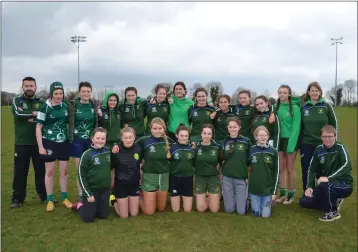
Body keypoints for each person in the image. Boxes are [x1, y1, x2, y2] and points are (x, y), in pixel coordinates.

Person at [299, 125, 353, 222]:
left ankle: (333, 212)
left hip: (344, 184)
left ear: (335, 136)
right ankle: (332, 201)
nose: (327, 139)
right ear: (321, 137)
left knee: (326, 186)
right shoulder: (319, 149)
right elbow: (311, 169)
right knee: (304, 201)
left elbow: (347, 165)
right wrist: (309, 187)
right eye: (324, 137)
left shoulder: (340, 148)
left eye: (330, 136)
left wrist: (329, 178)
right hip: (325, 185)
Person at [36, 81, 72, 212]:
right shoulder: (44, 107)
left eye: (61, 93)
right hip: (49, 143)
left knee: (64, 172)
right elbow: (38, 128)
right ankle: (50, 199)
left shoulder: (65, 105)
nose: (59, 96)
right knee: (49, 172)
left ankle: (64, 198)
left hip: (63, 143)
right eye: (56, 93)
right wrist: (40, 146)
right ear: (51, 94)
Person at [10, 76, 47, 208]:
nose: (29, 88)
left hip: (39, 144)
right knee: (20, 172)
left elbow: (45, 118)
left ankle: (44, 196)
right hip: (22, 143)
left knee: (41, 171)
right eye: (27, 86)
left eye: (31, 86)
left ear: (35, 87)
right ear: (23, 87)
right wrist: (34, 114)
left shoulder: (42, 102)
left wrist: (30, 116)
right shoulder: (17, 100)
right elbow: (18, 115)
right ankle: (17, 199)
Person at [300, 81, 338, 192]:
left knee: (323, 170)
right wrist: (299, 145)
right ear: (308, 92)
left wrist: (334, 142)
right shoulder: (304, 108)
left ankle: (323, 193)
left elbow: (334, 125)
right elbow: (300, 128)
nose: (314, 92)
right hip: (307, 143)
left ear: (320, 92)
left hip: (323, 143)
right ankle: (307, 193)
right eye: (312, 90)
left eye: (317, 90)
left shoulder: (327, 106)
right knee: (307, 169)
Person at [134, 117, 173, 215]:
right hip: (149, 176)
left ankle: (152, 198)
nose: (157, 131)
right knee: (149, 211)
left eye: (160, 128)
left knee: (160, 208)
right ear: (150, 129)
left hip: (164, 177)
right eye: (154, 129)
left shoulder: (169, 141)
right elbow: (130, 147)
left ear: (164, 129)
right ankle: (137, 197)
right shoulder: (144, 141)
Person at [68, 81, 97, 203]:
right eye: (83, 91)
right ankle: (81, 195)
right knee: (80, 170)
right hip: (77, 141)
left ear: (91, 93)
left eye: (88, 91)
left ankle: (91, 193)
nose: (86, 93)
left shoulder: (94, 105)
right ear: (79, 93)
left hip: (90, 141)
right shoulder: (73, 105)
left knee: (91, 169)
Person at [75, 127, 111, 223]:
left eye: (103, 139)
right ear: (92, 138)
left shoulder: (108, 151)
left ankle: (99, 205)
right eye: (97, 138)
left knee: (103, 216)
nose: (100, 141)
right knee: (88, 218)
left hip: (104, 190)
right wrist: (88, 194)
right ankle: (79, 205)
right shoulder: (87, 154)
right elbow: (80, 174)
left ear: (105, 139)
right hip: (91, 191)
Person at [274, 85, 301, 204]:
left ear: (289, 94)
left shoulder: (294, 108)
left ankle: (291, 195)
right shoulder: (276, 107)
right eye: (280, 92)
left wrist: (291, 144)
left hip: (291, 140)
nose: (282, 95)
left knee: (290, 168)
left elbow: (296, 126)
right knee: (282, 168)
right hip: (279, 141)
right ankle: (283, 194)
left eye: (285, 93)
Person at [221, 118, 252, 215]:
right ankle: (232, 199)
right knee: (229, 210)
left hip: (240, 177)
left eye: (235, 127)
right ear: (227, 128)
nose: (232, 129)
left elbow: (250, 158)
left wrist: (246, 171)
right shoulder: (224, 141)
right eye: (230, 127)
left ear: (239, 128)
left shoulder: (246, 141)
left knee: (241, 212)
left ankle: (246, 201)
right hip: (227, 177)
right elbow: (221, 159)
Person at [111, 127, 142, 218]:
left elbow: (140, 164)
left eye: (130, 137)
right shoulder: (116, 150)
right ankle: (113, 201)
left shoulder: (138, 149)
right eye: (125, 138)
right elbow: (111, 167)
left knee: (134, 214)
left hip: (134, 184)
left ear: (134, 137)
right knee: (124, 216)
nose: (128, 140)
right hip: (121, 184)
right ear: (121, 138)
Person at [248, 126, 279, 218]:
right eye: (260, 135)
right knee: (256, 214)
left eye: (265, 135)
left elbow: (276, 172)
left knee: (265, 215)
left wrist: (273, 192)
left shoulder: (273, 151)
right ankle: (252, 201)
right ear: (256, 137)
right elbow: (246, 164)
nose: (262, 137)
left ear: (268, 137)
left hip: (267, 190)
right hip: (254, 189)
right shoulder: (251, 150)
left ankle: (268, 202)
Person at [97, 92, 121, 194]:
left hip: (117, 143)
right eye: (110, 100)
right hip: (105, 144)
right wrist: (98, 114)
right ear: (106, 100)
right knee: (107, 167)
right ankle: (107, 190)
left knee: (117, 167)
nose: (112, 102)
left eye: (115, 100)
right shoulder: (101, 112)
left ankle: (116, 189)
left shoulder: (119, 112)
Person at [194, 124, 221, 213]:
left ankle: (211, 198)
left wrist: (220, 177)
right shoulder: (195, 147)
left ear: (212, 135)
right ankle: (205, 198)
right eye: (204, 133)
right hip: (200, 178)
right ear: (201, 134)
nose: (206, 136)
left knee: (214, 210)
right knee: (201, 209)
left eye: (209, 134)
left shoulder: (217, 147)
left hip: (213, 178)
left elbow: (220, 163)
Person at [169, 124, 195, 212]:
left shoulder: (192, 147)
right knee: (175, 210)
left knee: (187, 210)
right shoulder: (171, 147)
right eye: (181, 135)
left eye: (186, 136)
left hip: (188, 178)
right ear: (176, 135)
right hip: (175, 178)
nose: (184, 138)